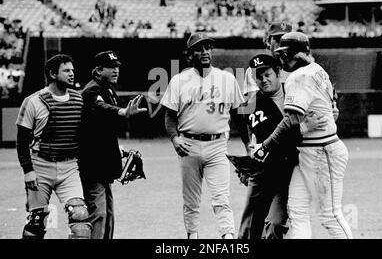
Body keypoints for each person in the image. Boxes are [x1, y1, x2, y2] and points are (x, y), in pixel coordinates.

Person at [251, 32, 353, 239]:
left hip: (322, 151)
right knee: (296, 210)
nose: (282, 57)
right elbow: (331, 106)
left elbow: (291, 120)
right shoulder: (317, 69)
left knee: (330, 215)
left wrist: (264, 147)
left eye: (286, 53)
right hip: (311, 150)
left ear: (298, 54)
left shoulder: (298, 77)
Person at [160, 32, 245, 239]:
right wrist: (174, 138)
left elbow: (239, 116)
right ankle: (192, 236)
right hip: (188, 144)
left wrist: (248, 145)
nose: (205, 52)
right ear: (190, 55)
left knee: (221, 198)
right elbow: (169, 117)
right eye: (199, 48)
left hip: (217, 145)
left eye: (208, 47)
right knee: (190, 200)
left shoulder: (227, 78)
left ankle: (227, 237)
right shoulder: (179, 80)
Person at [238, 54, 326, 239]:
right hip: (265, 172)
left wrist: (331, 111)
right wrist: (302, 128)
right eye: (258, 76)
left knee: (275, 224)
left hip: (291, 172)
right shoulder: (252, 104)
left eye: (267, 74)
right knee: (248, 230)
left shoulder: (296, 91)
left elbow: (320, 114)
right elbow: (272, 139)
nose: (263, 80)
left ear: (278, 72)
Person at [15, 54, 91, 239]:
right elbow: (22, 141)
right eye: (66, 71)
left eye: (72, 70)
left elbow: (86, 135)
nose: (72, 74)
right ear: (53, 73)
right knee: (36, 222)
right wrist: (28, 170)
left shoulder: (78, 100)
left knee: (81, 217)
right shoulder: (33, 101)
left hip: (69, 167)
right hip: (40, 166)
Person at [78, 50, 146, 239]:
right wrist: (123, 112)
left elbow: (100, 128)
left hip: (103, 161)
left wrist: (116, 150)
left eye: (117, 67)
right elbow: (100, 107)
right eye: (111, 67)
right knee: (98, 214)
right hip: (92, 163)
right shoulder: (92, 90)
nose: (116, 70)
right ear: (98, 70)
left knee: (108, 213)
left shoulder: (107, 88)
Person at [243, 21, 292, 100]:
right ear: (268, 41)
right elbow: (252, 102)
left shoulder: (300, 69)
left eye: (286, 40)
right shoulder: (255, 69)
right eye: (277, 39)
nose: (282, 44)